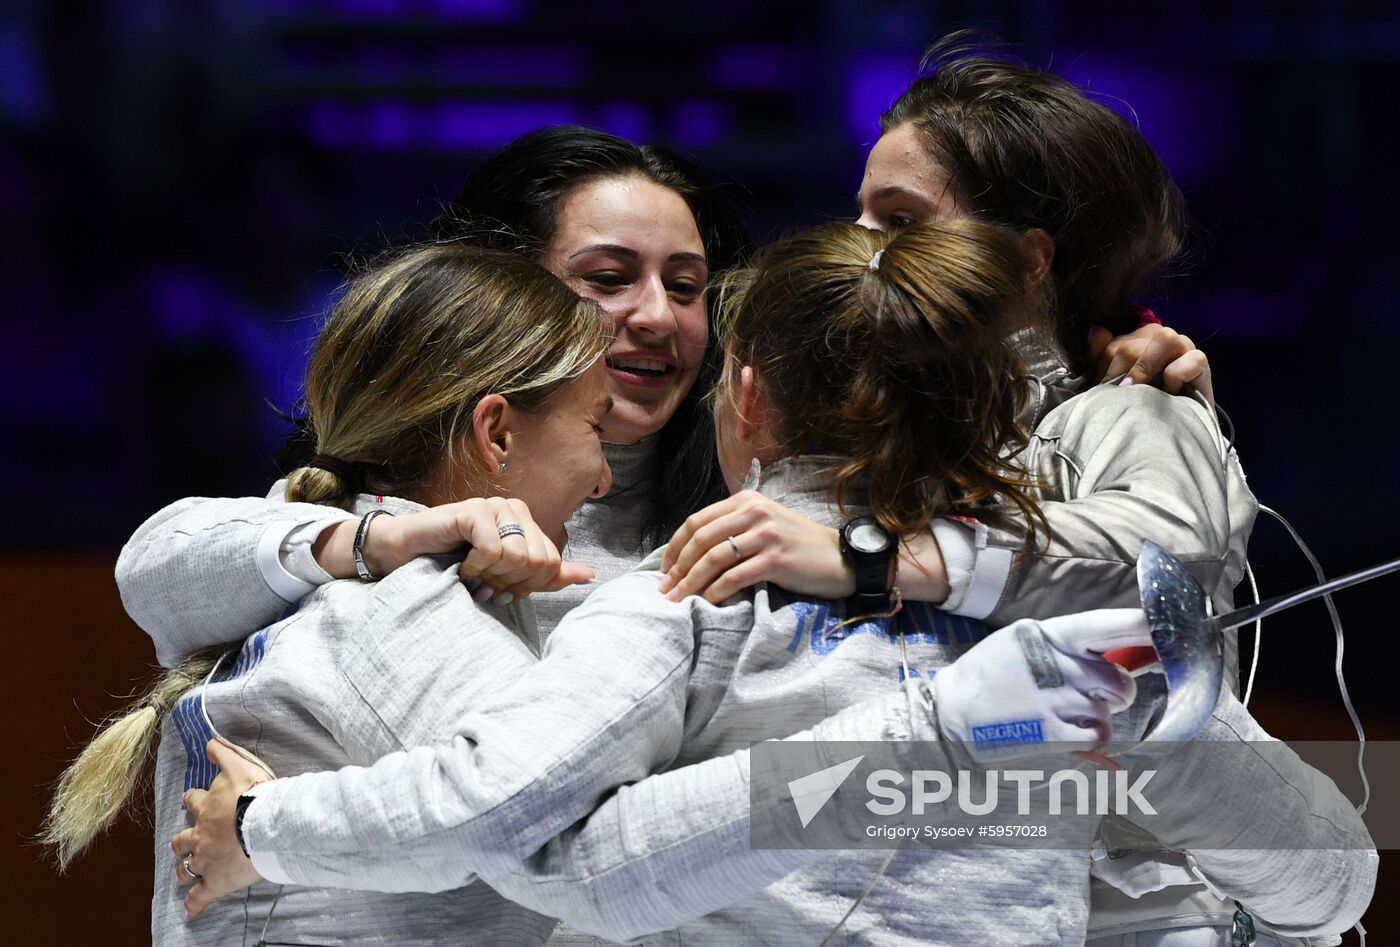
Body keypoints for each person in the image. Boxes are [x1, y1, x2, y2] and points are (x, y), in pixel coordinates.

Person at [167, 222, 1372, 945]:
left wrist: (268, 828)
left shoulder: (677, 598)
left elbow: (545, 843)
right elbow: (1331, 881)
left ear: (741, 400)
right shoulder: (1082, 635)